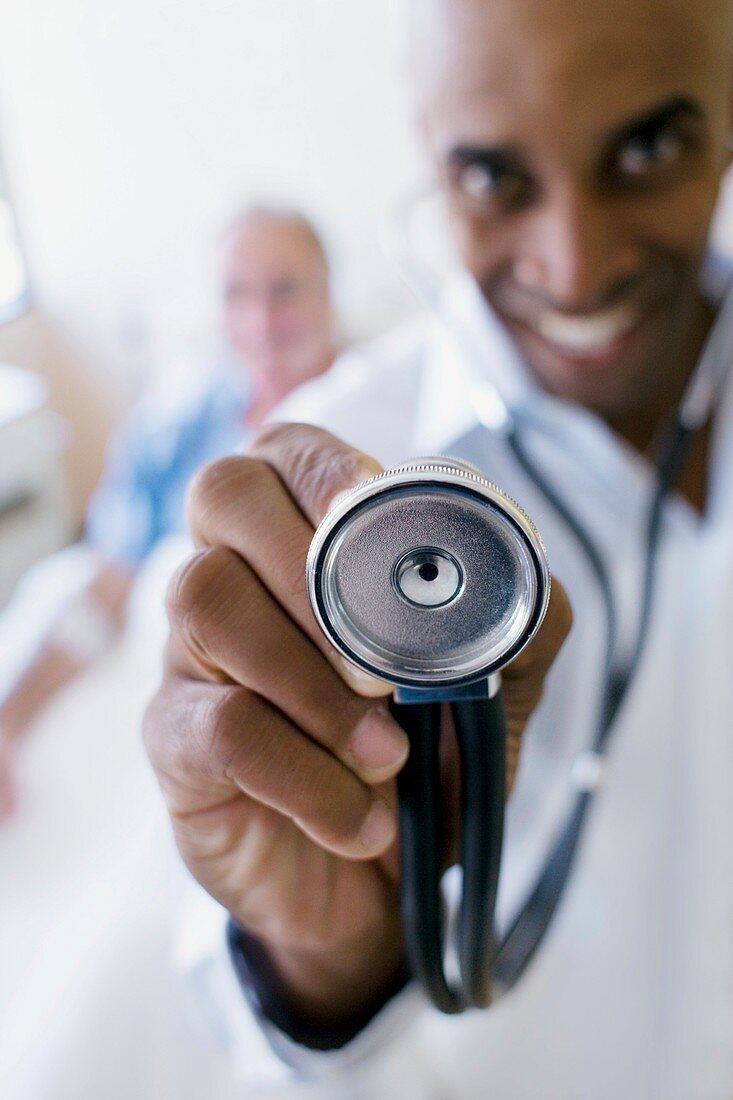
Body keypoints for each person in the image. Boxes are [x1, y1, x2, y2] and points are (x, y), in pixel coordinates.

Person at [144, 0, 733, 1096]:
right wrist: (328, 953)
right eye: (491, 176)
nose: (572, 267)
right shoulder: (336, 491)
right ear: (426, 151)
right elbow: (249, 1052)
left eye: (647, 147)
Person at [0, 205, 339, 820]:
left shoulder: (364, 429)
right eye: (237, 294)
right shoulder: (185, 422)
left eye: (285, 290)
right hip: (139, 672)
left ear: (328, 291)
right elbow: (107, 588)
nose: (260, 321)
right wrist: (9, 722)